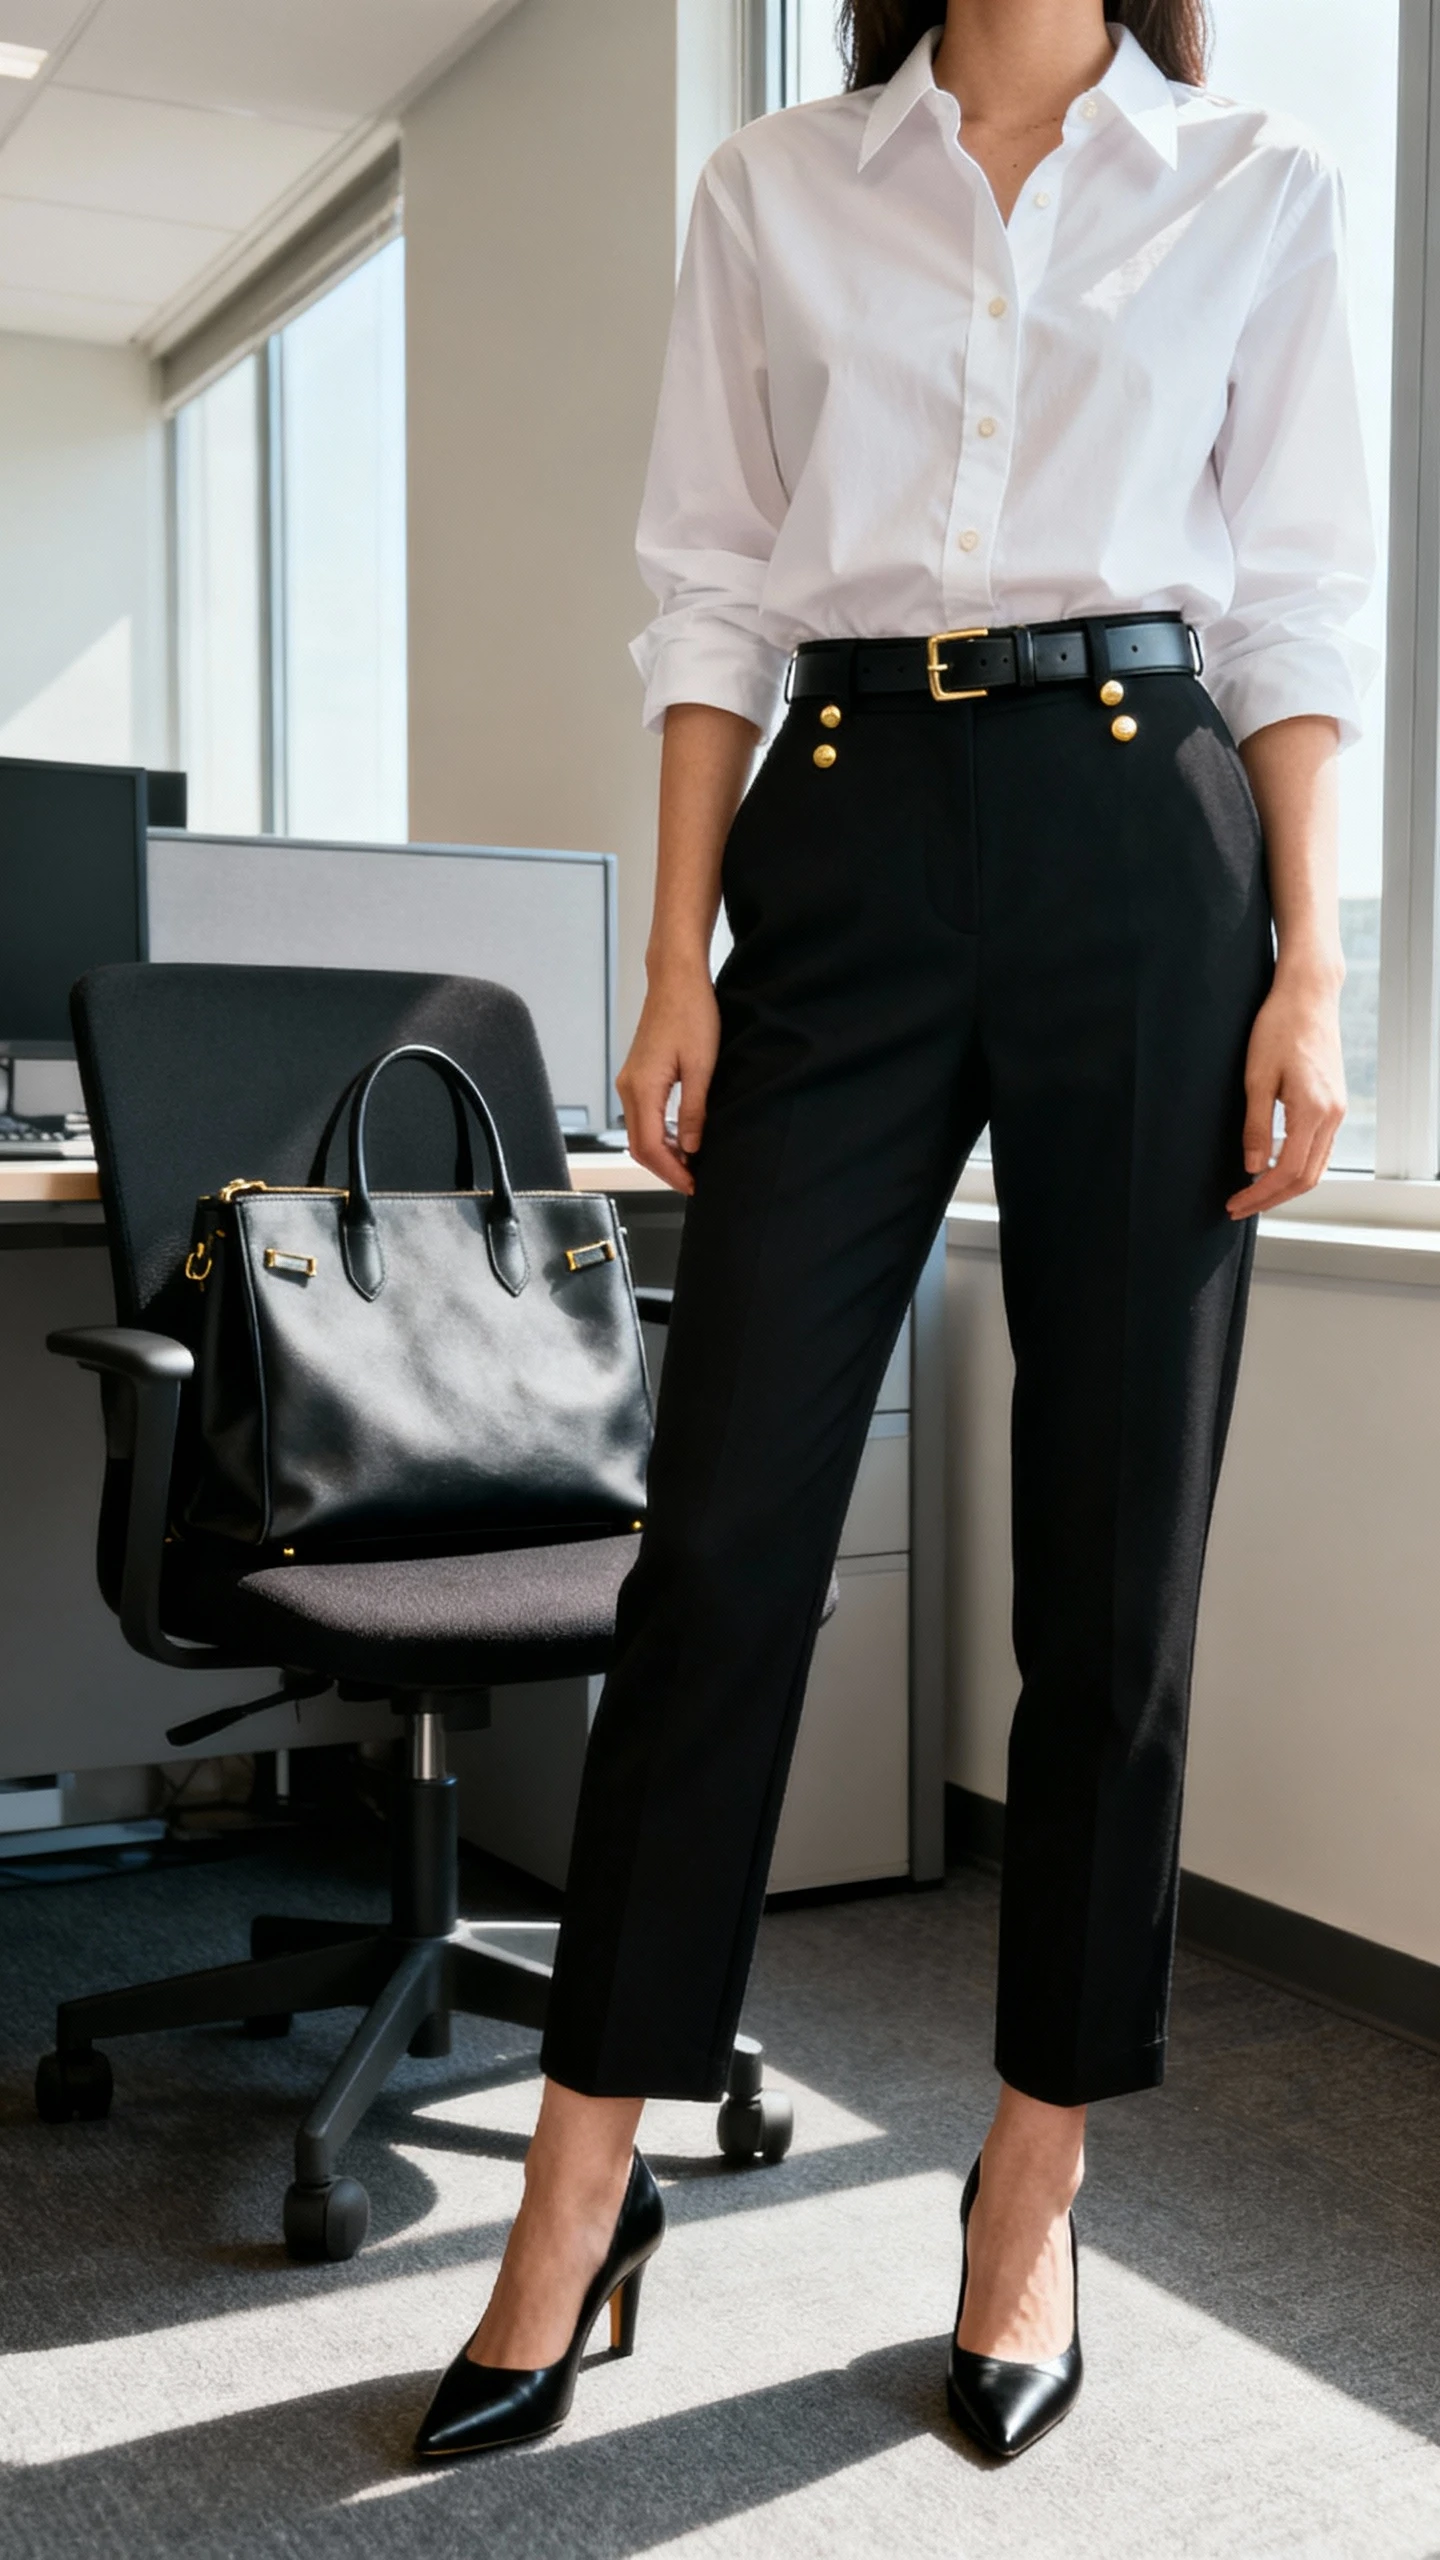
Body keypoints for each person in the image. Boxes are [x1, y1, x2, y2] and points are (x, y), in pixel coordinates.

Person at [415, 0, 1372, 2465]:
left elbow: (1295, 604)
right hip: (838, 844)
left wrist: (1313, 960)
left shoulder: (1252, 180)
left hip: (1142, 848)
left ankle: (1034, 2169)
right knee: (721, 1549)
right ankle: (581, 2174)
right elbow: (710, 587)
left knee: (1111, 1568)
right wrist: (667, 956)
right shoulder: (774, 186)